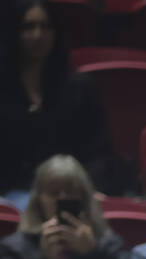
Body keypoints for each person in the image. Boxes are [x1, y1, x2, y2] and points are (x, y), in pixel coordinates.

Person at [0, 0, 117, 208]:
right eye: (29, 27)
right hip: (9, 193)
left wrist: (89, 187)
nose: (38, 35)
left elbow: (99, 151)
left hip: (67, 193)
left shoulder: (79, 87)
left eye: (46, 27)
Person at [0, 155, 142, 259]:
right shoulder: (13, 249)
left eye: (71, 192)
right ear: (39, 201)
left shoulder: (108, 243)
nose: (62, 198)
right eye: (54, 193)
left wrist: (93, 254)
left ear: (84, 198)